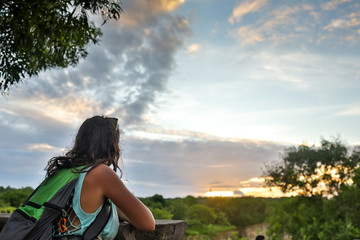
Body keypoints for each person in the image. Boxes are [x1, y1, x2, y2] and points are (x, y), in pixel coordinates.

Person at [47, 116, 155, 239]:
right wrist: (121, 211)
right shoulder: (101, 173)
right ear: (112, 145)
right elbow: (148, 223)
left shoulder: (63, 172)